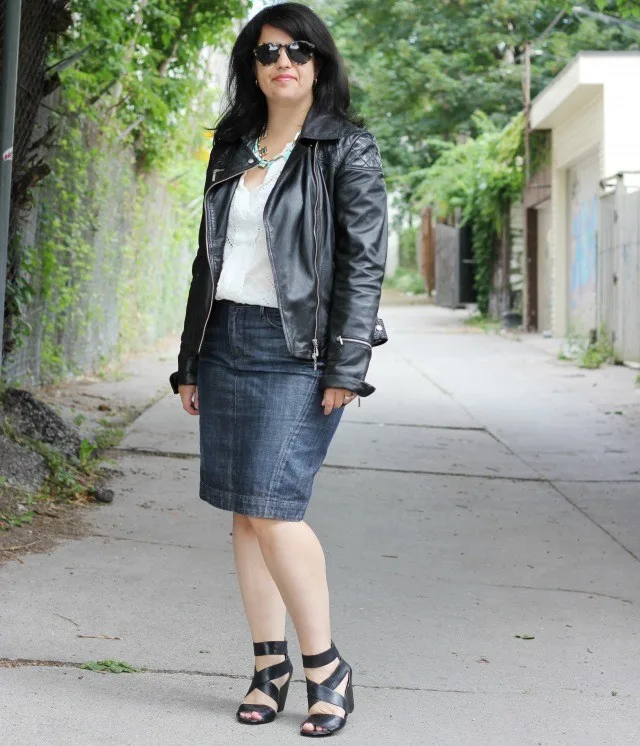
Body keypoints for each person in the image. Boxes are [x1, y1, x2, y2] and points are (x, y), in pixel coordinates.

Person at [169, 2, 387, 737]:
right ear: (251, 68)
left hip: (301, 352)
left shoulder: (346, 149)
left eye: (298, 49)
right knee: (244, 512)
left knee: (274, 507)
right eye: (267, 53)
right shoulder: (234, 145)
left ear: (319, 62)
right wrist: (190, 357)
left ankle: (327, 667)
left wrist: (347, 366)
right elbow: (209, 260)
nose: (283, 61)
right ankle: (269, 665)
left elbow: (363, 267)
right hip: (227, 339)